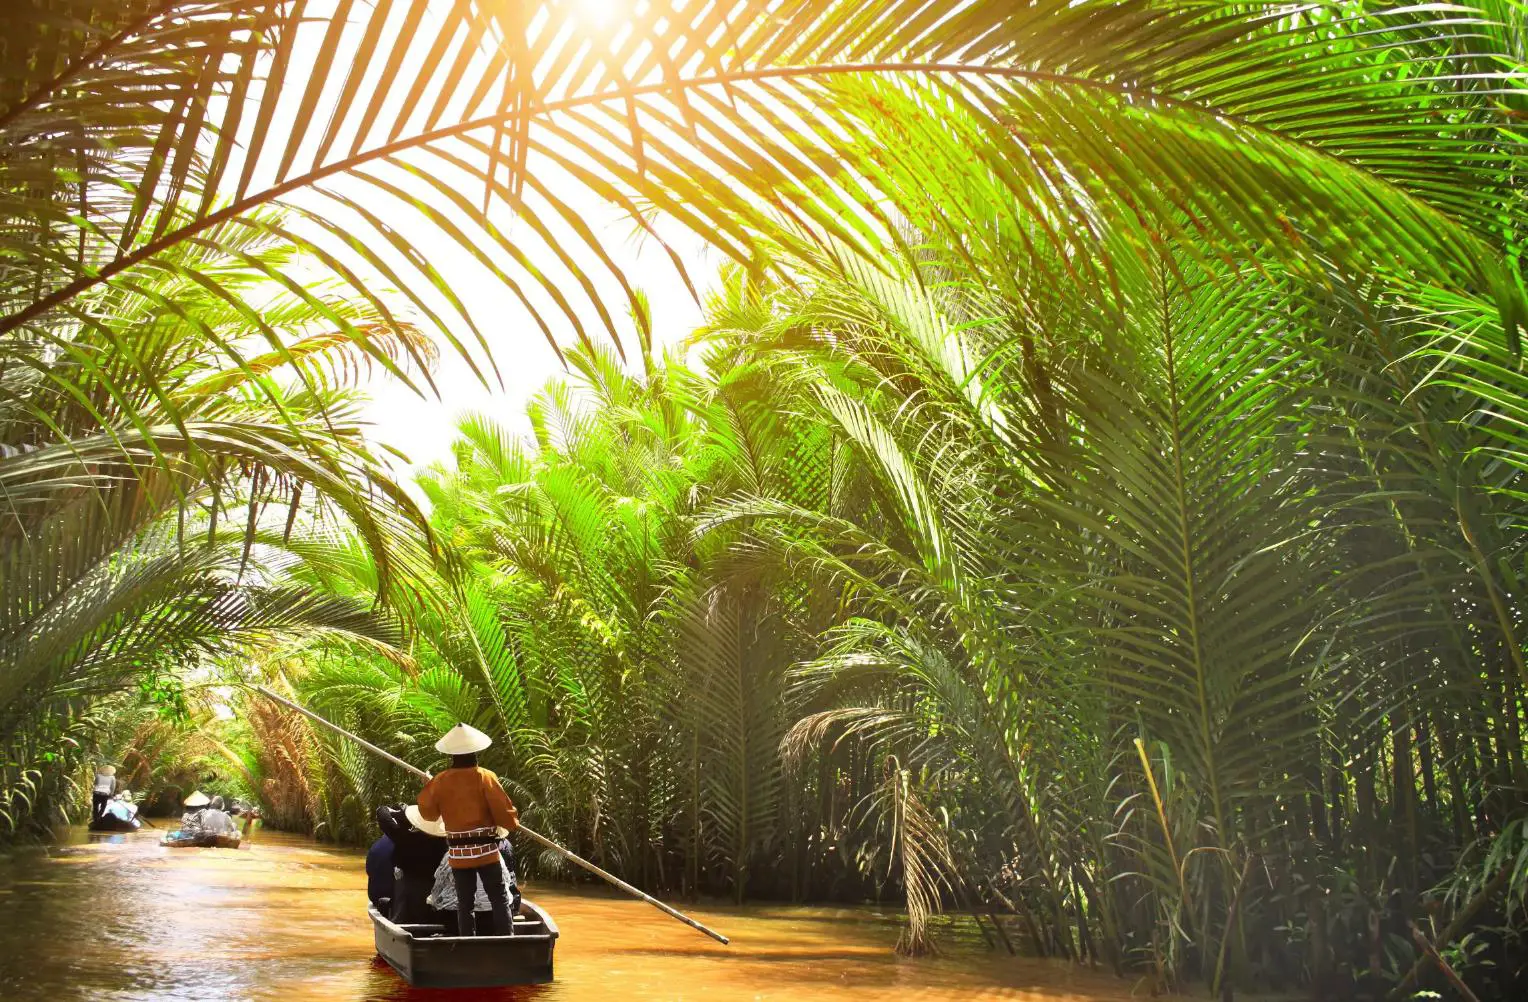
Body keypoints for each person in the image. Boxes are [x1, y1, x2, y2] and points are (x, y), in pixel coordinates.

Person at [416, 722, 519, 937]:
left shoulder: (440, 781)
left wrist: (429, 784)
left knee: (465, 902)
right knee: (498, 898)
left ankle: (467, 942)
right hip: (486, 852)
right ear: (475, 752)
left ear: (452, 755)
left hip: (459, 854)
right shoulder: (485, 777)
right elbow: (505, 814)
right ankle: (507, 941)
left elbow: (428, 813)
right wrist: (511, 823)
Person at [375, 804, 448, 923]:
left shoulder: (407, 838)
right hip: (434, 892)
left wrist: (400, 813)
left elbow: (383, 817)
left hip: (409, 892)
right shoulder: (443, 843)